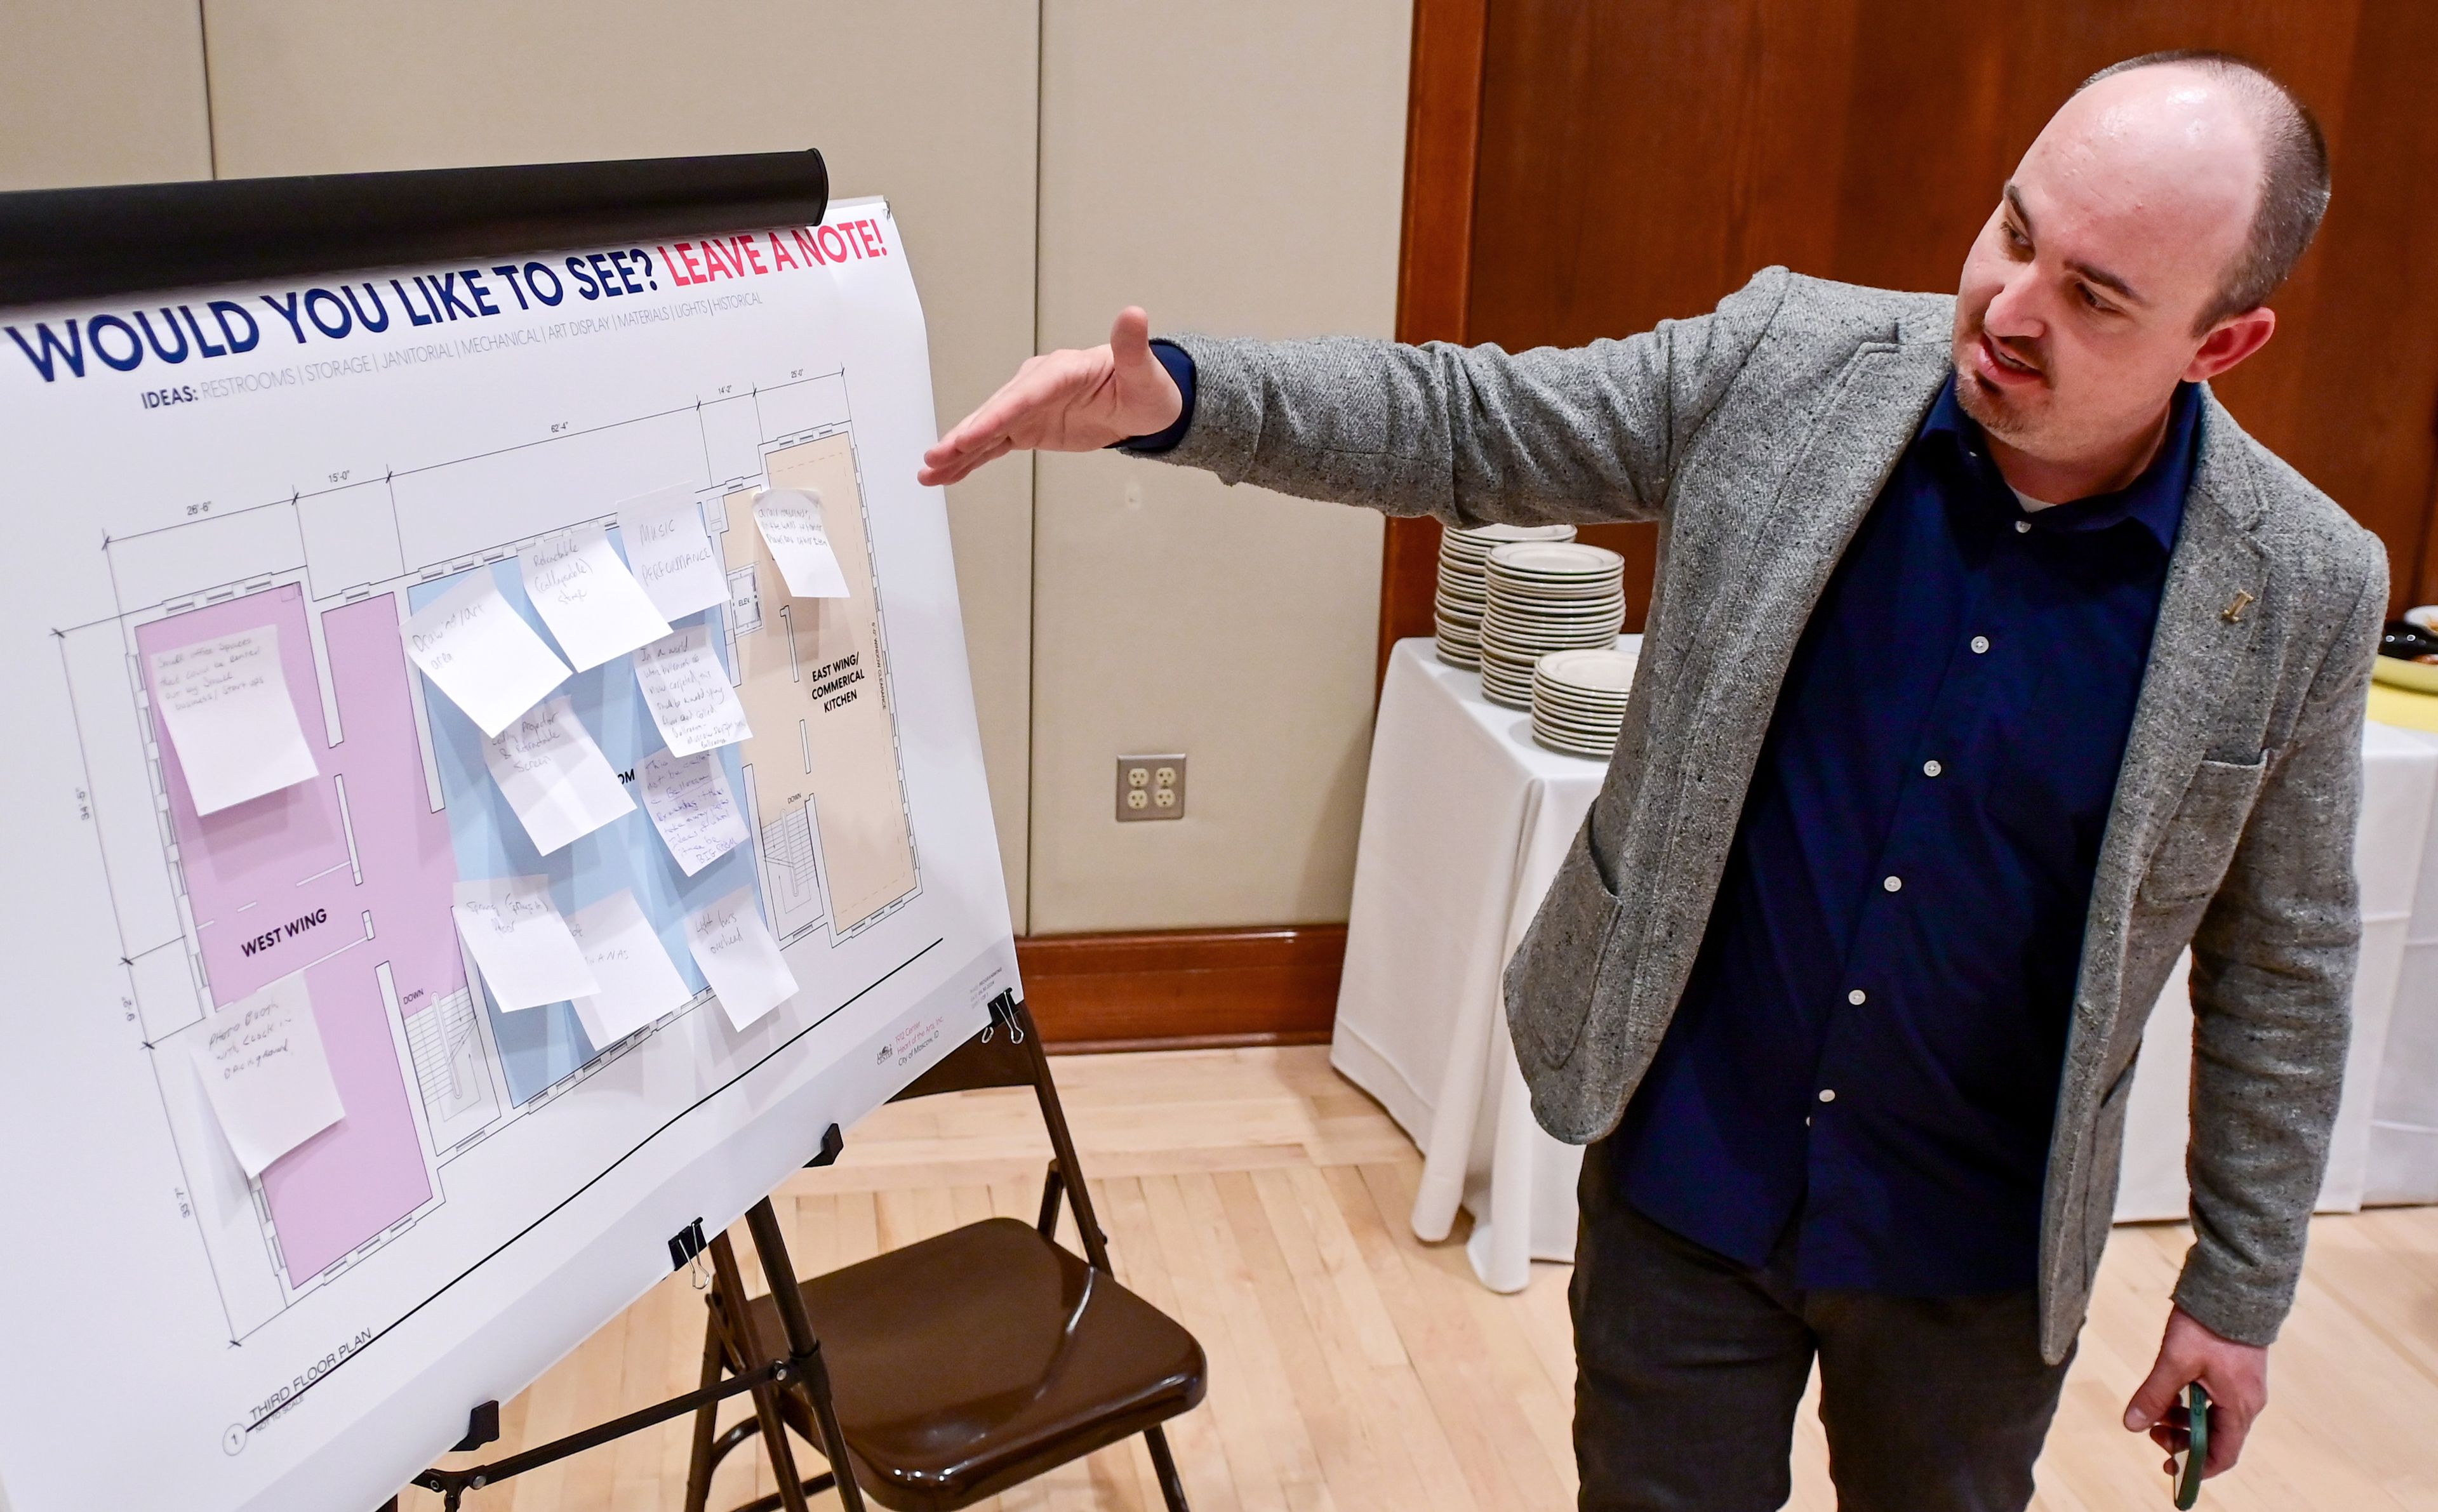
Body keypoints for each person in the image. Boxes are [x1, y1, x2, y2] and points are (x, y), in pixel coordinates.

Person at [919, 50, 2385, 1512]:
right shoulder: (1791, 364)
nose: (2010, 308)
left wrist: (2239, 1286)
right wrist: (1183, 398)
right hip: (1692, 1175)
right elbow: (1468, 423)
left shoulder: (2302, 585)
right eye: (2015, 232)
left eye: (2096, 296)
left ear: (2223, 344)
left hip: (1977, 1257)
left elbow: (2287, 959)